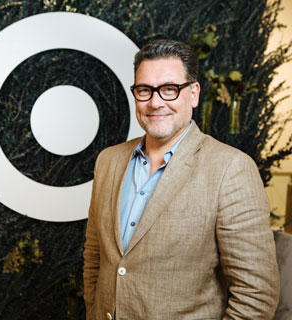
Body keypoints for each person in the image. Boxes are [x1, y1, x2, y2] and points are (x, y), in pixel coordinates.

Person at [83, 39, 280, 320]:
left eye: (169, 90)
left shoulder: (230, 168)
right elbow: (95, 258)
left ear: (194, 94)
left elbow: (256, 295)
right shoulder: (108, 162)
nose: (155, 102)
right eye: (144, 90)